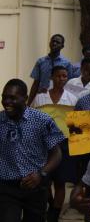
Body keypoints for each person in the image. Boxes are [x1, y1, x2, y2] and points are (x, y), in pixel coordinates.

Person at [0, 79, 65, 222]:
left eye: (12, 98)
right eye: (4, 97)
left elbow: (57, 153)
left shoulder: (42, 120)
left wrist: (41, 174)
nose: (7, 102)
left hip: (36, 186)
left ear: (25, 98)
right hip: (6, 188)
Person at [31, 66, 78, 221]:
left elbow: (74, 124)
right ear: (52, 77)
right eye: (58, 76)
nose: (61, 79)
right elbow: (32, 118)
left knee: (60, 181)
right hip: (43, 144)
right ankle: (50, 204)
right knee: (45, 180)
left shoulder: (72, 98)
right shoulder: (40, 97)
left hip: (63, 144)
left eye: (64, 76)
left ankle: (55, 213)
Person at [28, 34, 74, 105]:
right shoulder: (41, 61)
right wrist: (28, 103)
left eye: (57, 42)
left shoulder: (67, 63)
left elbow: (68, 84)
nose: (54, 43)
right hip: (42, 98)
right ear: (49, 43)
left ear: (62, 46)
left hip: (60, 100)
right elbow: (35, 83)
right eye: (53, 41)